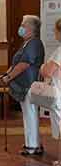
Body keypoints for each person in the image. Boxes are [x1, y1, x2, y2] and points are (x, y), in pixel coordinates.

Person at [0, 15, 45, 155]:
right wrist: (6, 75)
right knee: (29, 114)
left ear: (31, 28)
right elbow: (16, 64)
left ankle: (32, 146)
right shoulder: (27, 43)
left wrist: (9, 77)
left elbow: (24, 64)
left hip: (29, 85)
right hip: (24, 85)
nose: (21, 28)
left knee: (30, 114)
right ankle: (34, 144)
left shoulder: (35, 43)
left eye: (23, 25)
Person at [40, 18, 61, 166]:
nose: (54, 32)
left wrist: (42, 67)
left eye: (56, 30)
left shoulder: (60, 51)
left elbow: (48, 71)